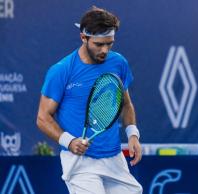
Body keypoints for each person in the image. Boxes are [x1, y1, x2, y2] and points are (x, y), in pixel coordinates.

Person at [36, 5, 143, 194]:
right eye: (99, 44)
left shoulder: (118, 63)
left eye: (109, 44)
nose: (105, 50)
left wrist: (132, 134)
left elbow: (125, 104)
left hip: (114, 158)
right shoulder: (61, 70)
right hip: (80, 163)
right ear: (83, 38)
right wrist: (69, 141)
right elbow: (43, 117)